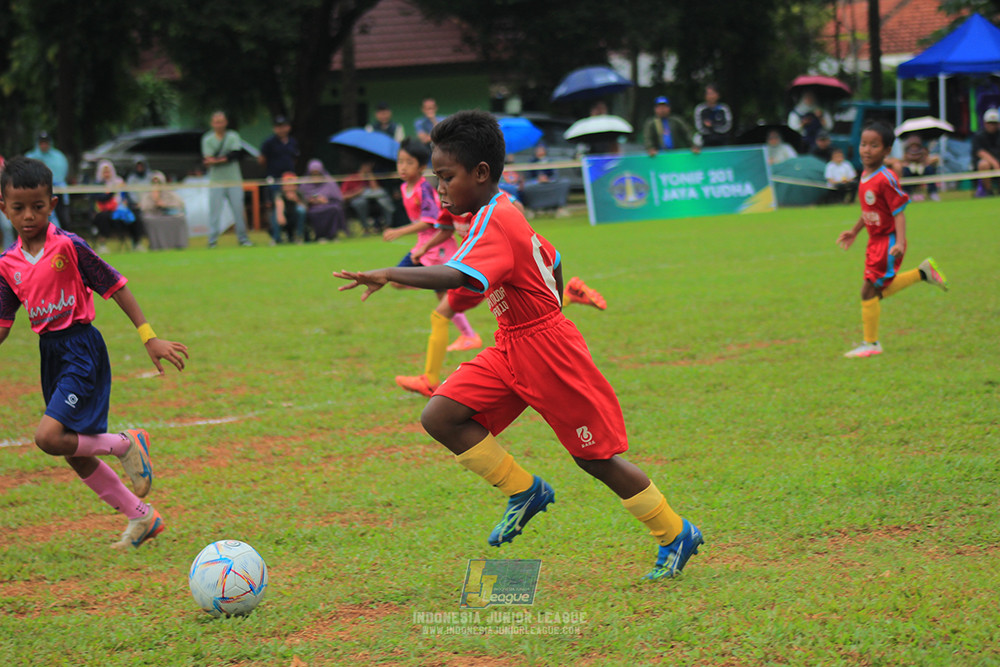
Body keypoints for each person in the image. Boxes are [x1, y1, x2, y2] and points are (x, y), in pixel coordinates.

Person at [334, 110, 703, 580]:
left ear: (481, 173)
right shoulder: (500, 210)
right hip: (513, 344)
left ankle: (675, 533)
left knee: (595, 459)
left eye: (446, 177)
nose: (439, 189)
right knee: (441, 415)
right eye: (436, 178)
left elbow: (454, 274)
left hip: (548, 351)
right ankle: (525, 490)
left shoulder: (496, 219)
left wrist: (390, 271)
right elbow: (553, 256)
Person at [0, 156, 188, 549]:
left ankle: (125, 443)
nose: (29, 215)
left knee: (49, 437)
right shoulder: (7, 265)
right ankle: (143, 517)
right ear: (4, 208)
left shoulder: (69, 246)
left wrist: (148, 335)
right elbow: (3, 325)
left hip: (81, 349)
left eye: (38, 206)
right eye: (18, 208)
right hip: (50, 355)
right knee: (74, 451)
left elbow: (115, 285)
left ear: (52, 204)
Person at [836, 121, 949, 359]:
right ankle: (923, 273)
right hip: (874, 240)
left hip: (887, 242)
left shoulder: (886, 178)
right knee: (872, 291)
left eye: (874, 145)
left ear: (887, 150)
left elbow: (899, 211)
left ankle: (871, 343)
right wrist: (855, 230)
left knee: (868, 291)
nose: (866, 150)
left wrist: (899, 241)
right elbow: (870, 209)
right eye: (864, 144)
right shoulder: (866, 174)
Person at [201, 110, 252, 248]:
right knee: (215, 212)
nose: (219, 124)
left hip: (234, 180)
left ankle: (243, 239)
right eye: (216, 122)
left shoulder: (233, 136)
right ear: (212, 124)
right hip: (216, 181)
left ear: (226, 122)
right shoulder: (207, 139)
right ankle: (212, 241)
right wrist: (223, 159)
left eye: (221, 121)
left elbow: (235, 155)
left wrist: (216, 160)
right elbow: (207, 158)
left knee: (238, 210)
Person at [258, 115, 300, 245]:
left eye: (283, 126)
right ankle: (276, 236)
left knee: (292, 206)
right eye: (278, 127)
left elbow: (295, 159)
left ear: (288, 127)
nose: (281, 129)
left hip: (289, 181)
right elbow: (262, 160)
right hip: (275, 180)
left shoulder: (292, 142)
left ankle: (292, 235)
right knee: (275, 207)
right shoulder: (269, 143)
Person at [91, 160, 143, 252]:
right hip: (104, 210)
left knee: (135, 216)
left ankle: (137, 243)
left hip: (121, 209)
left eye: (108, 171)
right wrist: (112, 191)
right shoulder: (97, 184)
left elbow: (126, 196)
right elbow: (100, 198)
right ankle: (102, 244)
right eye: (105, 172)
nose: (107, 174)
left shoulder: (119, 181)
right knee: (103, 217)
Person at [25, 131, 69, 228]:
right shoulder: (30, 157)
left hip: (55, 192)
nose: (44, 145)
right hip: (35, 193)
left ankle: (55, 235)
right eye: (41, 143)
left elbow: (61, 175)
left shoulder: (58, 157)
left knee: (54, 215)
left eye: (46, 142)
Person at [340, 160, 396, 234]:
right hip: (356, 204)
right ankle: (366, 228)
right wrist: (357, 193)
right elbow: (342, 197)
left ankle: (387, 225)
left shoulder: (370, 177)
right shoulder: (351, 178)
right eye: (367, 165)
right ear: (362, 166)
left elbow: (377, 190)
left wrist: (370, 175)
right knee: (361, 202)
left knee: (383, 198)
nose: (369, 167)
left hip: (373, 204)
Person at [300, 159, 346, 242]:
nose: (315, 175)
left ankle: (332, 235)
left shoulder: (329, 181)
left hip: (328, 205)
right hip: (313, 208)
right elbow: (302, 198)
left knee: (335, 209)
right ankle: (320, 236)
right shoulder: (305, 183)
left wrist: (326, 200)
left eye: (317, 173)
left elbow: (338, 198)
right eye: (313, 173)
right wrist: (311, 201)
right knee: (314, 213)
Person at [900, 135, 940, 202]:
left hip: (922, 168)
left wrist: (924, 161)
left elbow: (927, 160)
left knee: (929, 169)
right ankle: (906, 193)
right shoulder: (906, 150)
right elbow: (904, 160)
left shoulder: (923, 149)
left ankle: (933, 192)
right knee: (905, 170)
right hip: (911, 169)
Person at [693, 83, 732, 148]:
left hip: (722, 140)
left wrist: (712, 126)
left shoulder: (724, 108)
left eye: (713, 93)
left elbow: (727, 126)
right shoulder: (700, 109)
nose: (711, 96)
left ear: (718, 95)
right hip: (705, 141)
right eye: (708, 94)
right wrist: (709, 129)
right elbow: (699, 127)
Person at [274, 172, 309, 244]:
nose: (289, 186)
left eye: (291, 184)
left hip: (295, 218)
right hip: (284, 218)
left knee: (301, 210)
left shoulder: (299, 194)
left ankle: (299, 236)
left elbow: (305, 209)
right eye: (287, 184)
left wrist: (295, 199)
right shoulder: (280, 194)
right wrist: (280, 215)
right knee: (275, 214)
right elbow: (279, 203)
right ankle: (276, 238)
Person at [972, 107, 1000, 197]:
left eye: (994, 123)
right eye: (990, 123)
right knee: (984, 164)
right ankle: (988, 191)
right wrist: (995, 163)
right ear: (984, 123)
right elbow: (980, 152)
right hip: (986, 165)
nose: (992, 125)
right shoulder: (978, 136)